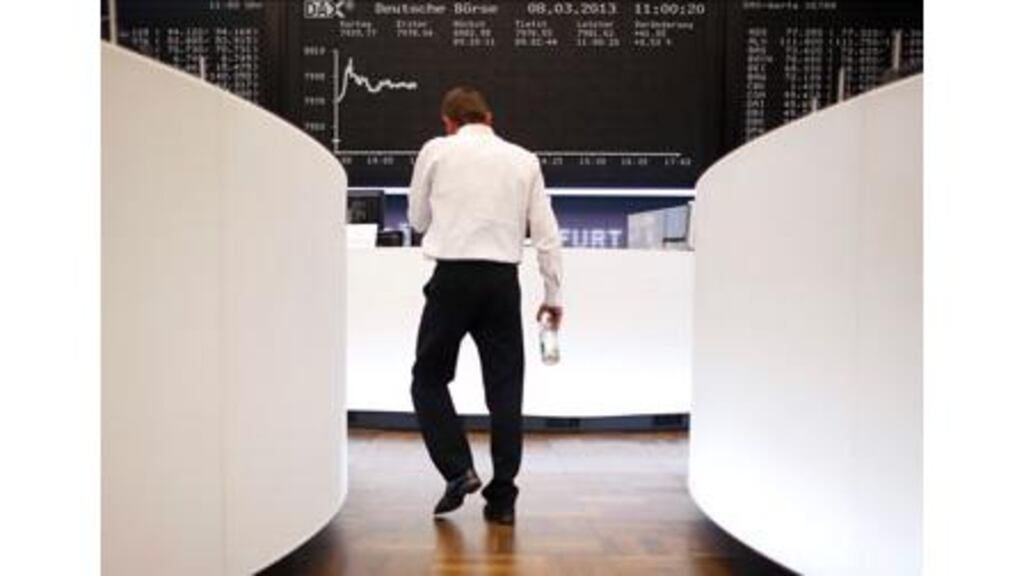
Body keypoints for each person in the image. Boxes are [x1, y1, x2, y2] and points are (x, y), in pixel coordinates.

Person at [407, 86, 563, 526]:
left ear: (448, 122)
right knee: (506, 391)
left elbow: (417, 221)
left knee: (428, 379)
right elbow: (547, 234)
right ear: (489, 118)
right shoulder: (524, 159)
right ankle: (503, 499)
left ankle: (458, 470)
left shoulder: (436, 151)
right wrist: (552, 296)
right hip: (501, 283)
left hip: (452, 280)